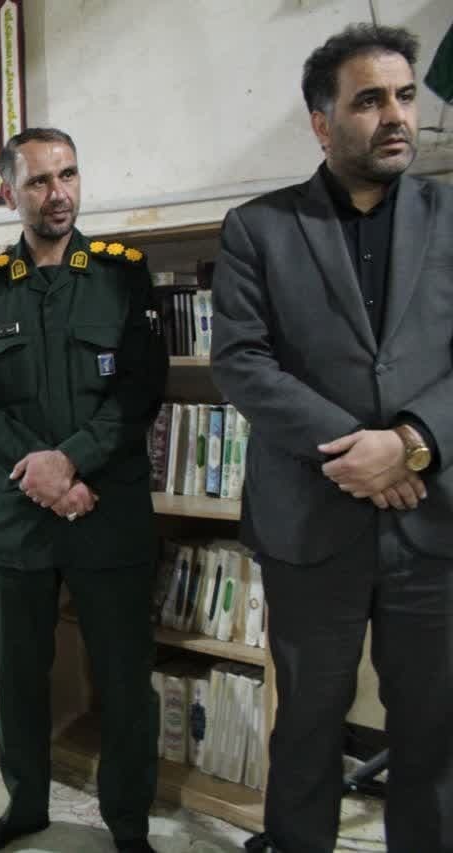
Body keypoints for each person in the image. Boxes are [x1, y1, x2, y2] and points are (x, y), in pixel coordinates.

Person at [210, 25, 452, 853]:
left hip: (434, 523)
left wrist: (413, 440)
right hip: (311, 525)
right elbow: (241, 362)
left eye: (406, 96)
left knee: (435, 728)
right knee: (309, 724)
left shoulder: (450, 215)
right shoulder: (258, 227)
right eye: (370, 100)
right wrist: (365, 449)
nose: (397, 116)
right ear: (322, 122)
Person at [0, 127, 167, 853]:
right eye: (39, 180)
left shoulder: (122, 274)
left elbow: (140, 390)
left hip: (107, 507)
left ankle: (128, 825)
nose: (58, 193)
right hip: (17, 515)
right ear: (9, 192)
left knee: (125, 679)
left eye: (67, 174)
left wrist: (69, 462)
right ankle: (26, 807)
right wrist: (41, 474)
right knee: (21, 676)